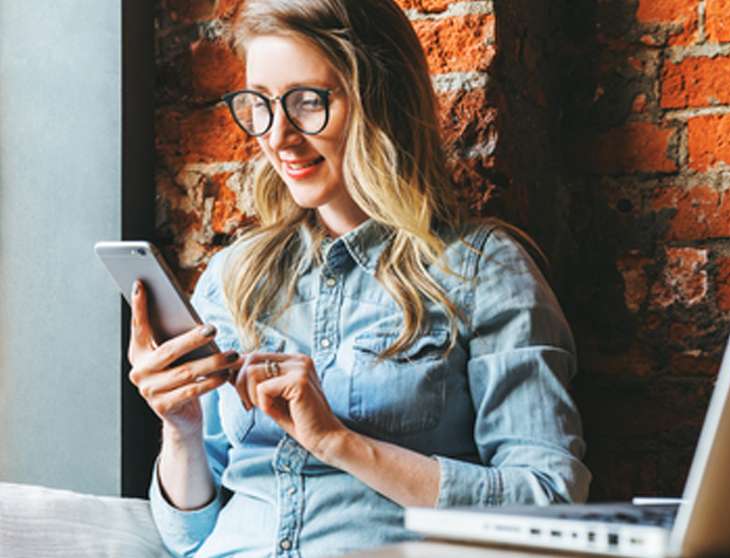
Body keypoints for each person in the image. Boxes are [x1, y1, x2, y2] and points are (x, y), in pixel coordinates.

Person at [126, 0, 591, 556]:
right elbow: (187, 539)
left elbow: (549, 502)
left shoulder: (482, 270)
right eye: (260, 105)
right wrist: (180, 429)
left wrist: (337, 442)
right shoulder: (233, 277)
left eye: (307, 102)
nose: (278, 136)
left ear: (381, 101)